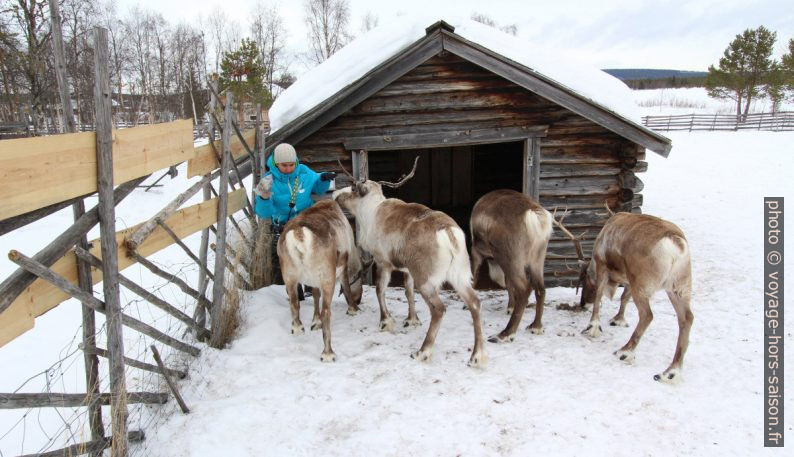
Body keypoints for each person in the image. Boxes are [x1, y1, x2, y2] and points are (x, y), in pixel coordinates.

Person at [254, 143, 336, 300]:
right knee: (290, 258)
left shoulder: (304, 171)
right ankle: (294, 289)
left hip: (308, 222)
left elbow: (318, 187)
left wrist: (324, 179)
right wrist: (263, 198)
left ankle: (312, 287)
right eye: (284, 165)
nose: (289, 168)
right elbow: (264, 212)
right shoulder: (268, 180)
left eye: (292, 164)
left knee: (311, 253)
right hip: (284, 225)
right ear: (276, 163)